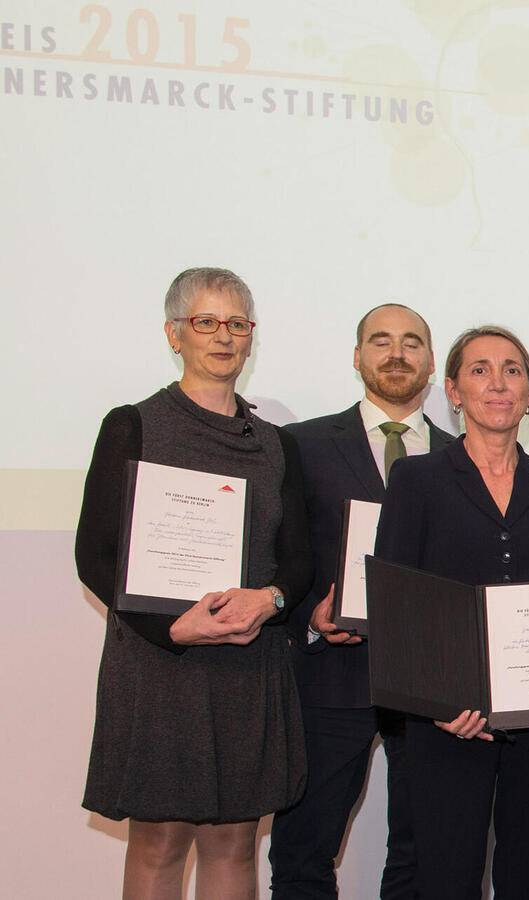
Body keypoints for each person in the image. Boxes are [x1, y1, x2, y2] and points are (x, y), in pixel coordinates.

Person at [76, 267, 313, 898]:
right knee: (158, 845)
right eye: (205, 322)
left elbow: (298, 563)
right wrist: (173, 626)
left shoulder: (275, 444)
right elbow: (95, 556)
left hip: (246, 661)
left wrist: (271, 599)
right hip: (160, 665)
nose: (223, 337)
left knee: (235, 845)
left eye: (237, 323)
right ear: (174, 333)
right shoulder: (133, 425)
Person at [373, 325, 529, 898]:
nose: (497, 383)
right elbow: (398, 607)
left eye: (512, 371)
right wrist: (440, 702)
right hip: (448, 723)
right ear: (451, 390)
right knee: (446, 881)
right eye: (479, 370)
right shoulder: (416, 480)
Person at [271, 303, 451, 899]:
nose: (396, 353)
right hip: (330, 674)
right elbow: (280, 555)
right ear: (357, 358)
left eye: (411, 342)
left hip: (431, 684)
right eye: (381, 341)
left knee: (423, 852)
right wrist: (311, 620)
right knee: (303, 848)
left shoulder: (465, 456)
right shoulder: (301, 445)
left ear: (430, 362)